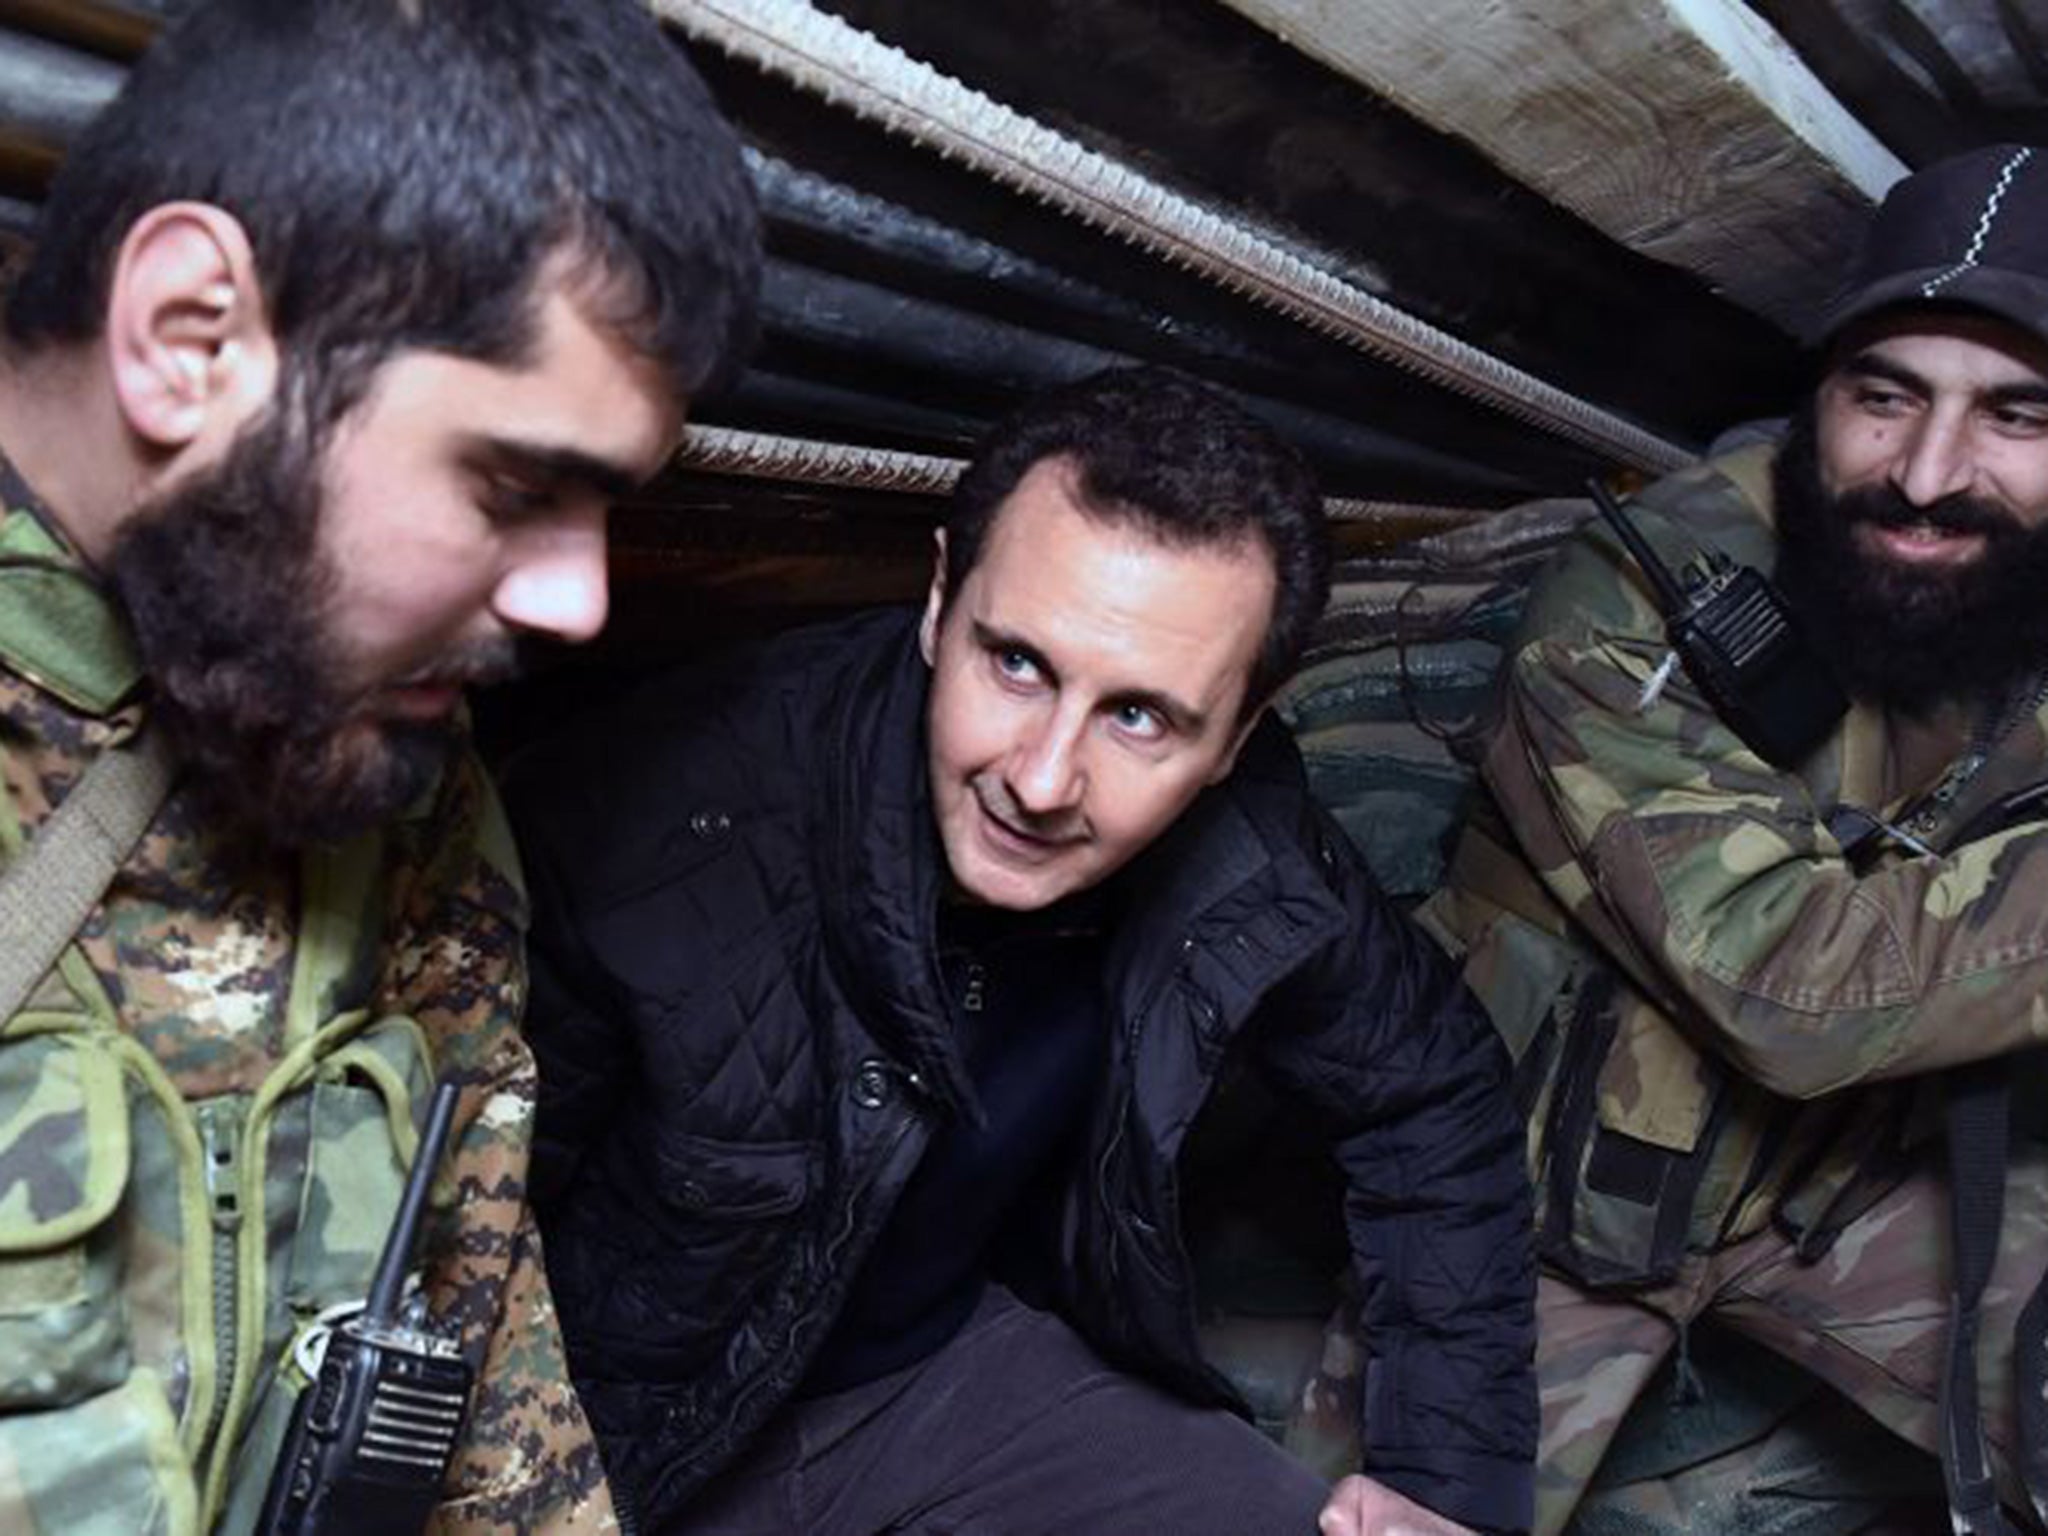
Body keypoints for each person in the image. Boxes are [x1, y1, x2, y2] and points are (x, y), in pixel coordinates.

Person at [505, 366, 1537, 1536]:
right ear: (940, 601)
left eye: (1137, 716)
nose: (1041, 781)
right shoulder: (663, 820)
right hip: (633, 1437)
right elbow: (450, 1252)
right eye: (1017, 664)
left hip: (947, 1378)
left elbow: (1431, 1091)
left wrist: (1439, 1484)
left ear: (1234, 734)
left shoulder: (1249, 846)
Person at [0, 2, 759, 1532]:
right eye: (518, 483)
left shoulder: (380, 751)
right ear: (190, 336)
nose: (580, 600)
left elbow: (475, 1325)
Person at [1424, 142, 2048, 1533]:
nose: (1930, 475)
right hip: (1539, 1209)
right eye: (1883, 400)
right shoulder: (1634, 597)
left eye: (2018, 416)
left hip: (1851, 1183)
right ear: (1814, 398)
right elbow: (1792, 989)